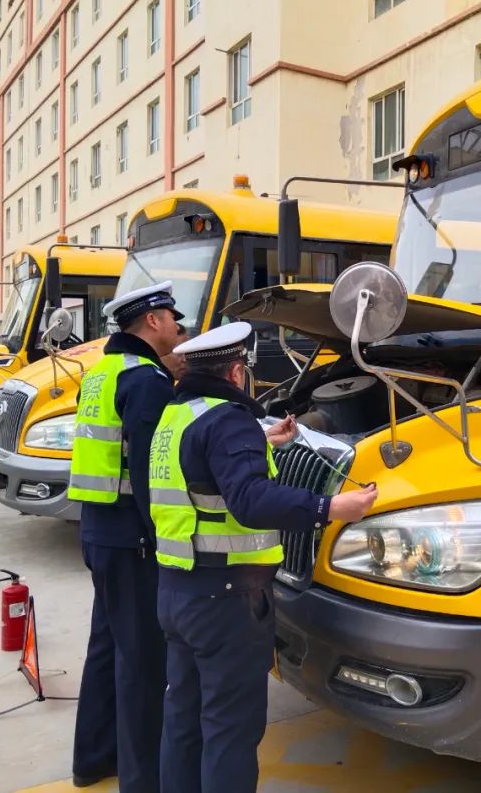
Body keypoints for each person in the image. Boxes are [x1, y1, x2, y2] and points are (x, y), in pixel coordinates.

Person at [148, 321, 378, 793]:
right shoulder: (229, 420)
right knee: (230, 728)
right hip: (225, 601)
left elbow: (201, 469)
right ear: (237, 373)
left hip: (177, 591)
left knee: (184, 719)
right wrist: (332, 507)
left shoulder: (176, 416)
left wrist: (262, 441)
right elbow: (250, 501)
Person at [68, 281, 188, 792]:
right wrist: (165, 541)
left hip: (99, 532)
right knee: (142, 662)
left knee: (107, 648)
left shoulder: (102, 372)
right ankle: (142, 780)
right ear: (154, 321)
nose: (180, 328)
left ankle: (94, 758)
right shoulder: (145, 381)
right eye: (174, 319)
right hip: (132, 539)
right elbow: (149, 475)